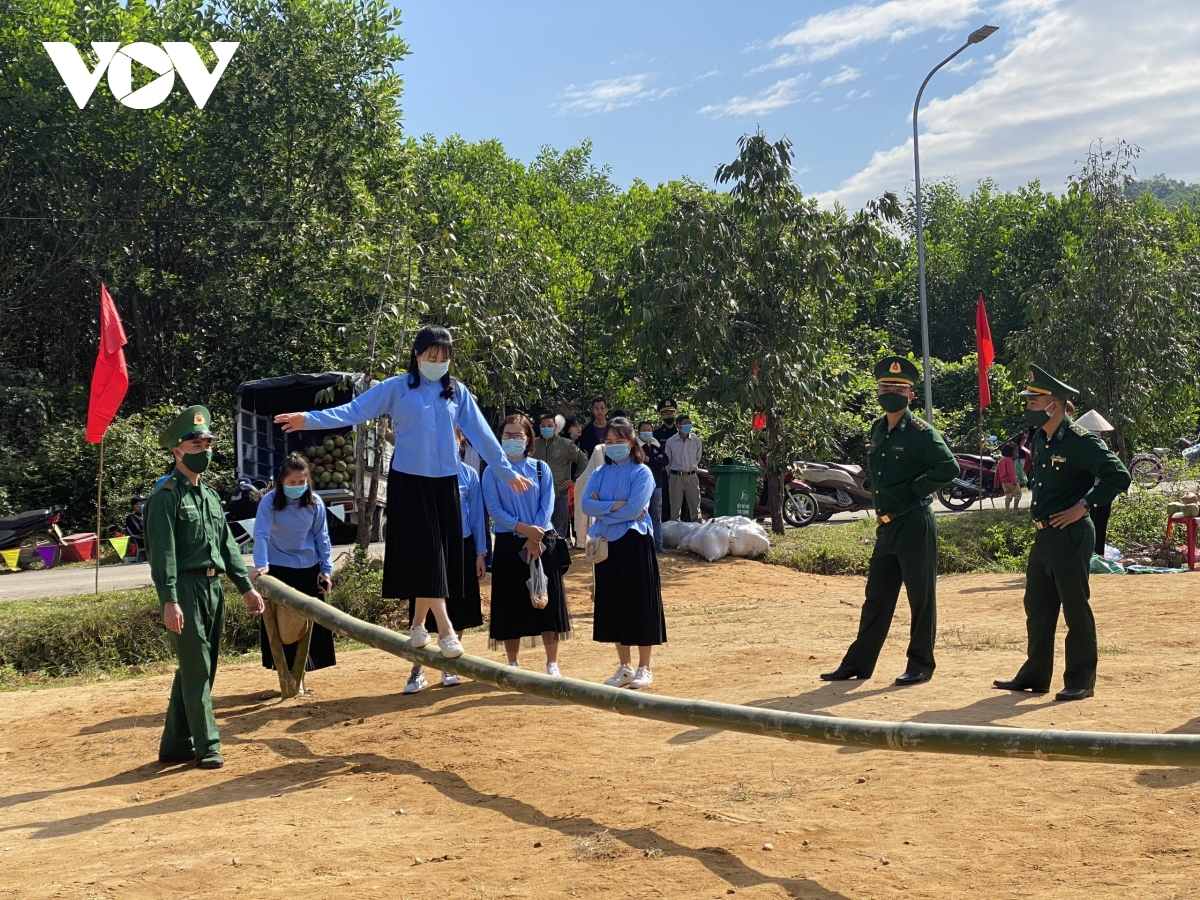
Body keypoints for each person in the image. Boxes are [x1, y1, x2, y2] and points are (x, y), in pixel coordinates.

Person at [275, 325, 532, 665]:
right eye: (431, 356)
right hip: (410, 481)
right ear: (417, 354)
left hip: (446, 483)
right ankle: (446, 630)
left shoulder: (457, 393)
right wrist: (307, 419)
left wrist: (506, 470)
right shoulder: (397, 388)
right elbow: (352, 411)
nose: (437, 363)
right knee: (427, 554)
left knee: (440, 557)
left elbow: (482, 435)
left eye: (444, 358)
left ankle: (416, 625)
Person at [821, 357, 959, 686]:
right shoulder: (878, 427)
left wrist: (916, 489)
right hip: (886, 526)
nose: (891, 391)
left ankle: (921, 664)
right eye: (885, 386)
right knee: (876, 598)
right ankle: (858, 664)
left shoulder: (921, 432)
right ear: (878, 391)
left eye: (898, 387)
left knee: (920, 597)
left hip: (914, 521)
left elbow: (948, 467)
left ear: (911, 395)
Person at [994, 366, 1130, 701]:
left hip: (1070, 534)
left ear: (1054, 404)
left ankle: (1081, 679)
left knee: (1074, 607)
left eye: (1034, 399)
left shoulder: (1079, 441)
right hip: (1044, 535)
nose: (1028, 404)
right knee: (1037, 606)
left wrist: (1084, 506)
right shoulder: (1041, 438)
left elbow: (1119, 476)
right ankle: (1036, 676)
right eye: (1027, 398)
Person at [145, 405, 265, 769]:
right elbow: (162, 553)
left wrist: (245, 586)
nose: (204, 451)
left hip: (213, 591)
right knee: (196, 668)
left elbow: (228, 546)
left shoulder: (211, 496)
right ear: (177, 451)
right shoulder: (166, 496)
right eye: (195, 445)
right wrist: (169, 599)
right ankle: (207, 746)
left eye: (207, 444)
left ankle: (175, 744)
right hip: (184, 589)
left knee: (201, 667)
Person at [483, 414, 571, 674]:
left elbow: (548, 504)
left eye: (518, 435)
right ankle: (512, 663)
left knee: (548, 602)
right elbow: (494, 509)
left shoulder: (540, 468)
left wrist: (536, 536)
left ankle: (552, 663)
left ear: (528, 438)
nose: (513, 440)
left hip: (543, 541)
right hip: (510, 543)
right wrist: (523, 530)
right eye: (507, 435)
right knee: (510, 604)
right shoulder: (492, 470)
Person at [583, 419, 666, 689]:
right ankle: (625, 667)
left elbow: (635, 511)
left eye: (620, 441)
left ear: (631, 443)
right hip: (608, 545)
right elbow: (585, 505)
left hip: (635, 542)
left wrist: (604, 508)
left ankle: (645, 667)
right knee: (614, 604)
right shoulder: (598, 473)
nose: (614, 446)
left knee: (640, 602)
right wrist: (618, 505)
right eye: (609, 441)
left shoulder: (642, 473)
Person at [405, 427, 488, 693]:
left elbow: (477, 517)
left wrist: (480, 553)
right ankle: (417, 670)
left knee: (458, 606)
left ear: (460, 439)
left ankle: (449, 667)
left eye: (450, 435)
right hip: (429, 546)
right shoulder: (421, 473)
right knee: (425, 602)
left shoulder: (469, 475)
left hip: (461, 545)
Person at [248, 453, 337, 693]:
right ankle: (287, 679)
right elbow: (262, 534)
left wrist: (326, 571)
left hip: (308, 570)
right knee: (280, 625)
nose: (297, 487)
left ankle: (301, 679)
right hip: (277, 571)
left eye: (301, 482)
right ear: (281, 482)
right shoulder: (269, 502)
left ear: (307, 481)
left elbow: (322, 537)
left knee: (308, 626)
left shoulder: (315, 503)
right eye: (292, 483)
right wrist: (261, 565)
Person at [532, 413, 589, 548]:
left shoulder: (565, 444)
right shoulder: (532, 445)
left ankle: (558, 562)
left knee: (559, 533)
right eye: (544, 426)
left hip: (559, 493)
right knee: (539, 530)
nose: (547, 428)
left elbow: (583, 460)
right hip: (537, 496)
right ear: (540, 427)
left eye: (550, 426)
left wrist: (574, 479)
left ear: (555, 427)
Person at [665, 414, 703, 523]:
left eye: (690, 423)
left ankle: (697, 531)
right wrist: (671, 476)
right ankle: (673, 534)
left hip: (692, 476)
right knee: (675, 509)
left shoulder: (696, 440)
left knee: (695, 507)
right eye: (685, 424)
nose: (688, 426)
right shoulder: (671, 441)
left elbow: (697, 457)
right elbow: (668, 461)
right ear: (678, 426)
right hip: (676, 477)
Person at [637, 420, 668, 552]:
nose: (647, 432)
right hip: (641, 486)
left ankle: (658, 545)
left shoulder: (656, 444)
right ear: (638, 431)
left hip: (657, 485)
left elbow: (665, 460)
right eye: (644, 429)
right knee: (641, 515)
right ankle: (645, 546)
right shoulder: (635, 446)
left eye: (649, 429)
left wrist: (649, 459)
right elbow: (638, 460)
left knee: (656, 516)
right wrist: (656, 461)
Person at [653, 400, 679, 521]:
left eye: (671, 413)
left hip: (677, 471)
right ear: (662, 415)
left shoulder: (679, 433)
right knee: (663, 499)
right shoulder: (656, 434)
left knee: (678, 500)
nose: (669, 416)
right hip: (663, 471)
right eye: (666, 413)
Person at [996, 445, 1022, 511]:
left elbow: (997, 472)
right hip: (1011, 481)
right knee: (1018, 494)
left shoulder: (1001, 460)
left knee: (1008, 496)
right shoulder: (1009, 461)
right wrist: (1014, 481)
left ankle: (1007, 510)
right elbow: (1011, 472)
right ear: (1011, 452)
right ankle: (1015, 509)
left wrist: (996, 482)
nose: (1016, 453)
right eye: (1015, 452)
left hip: (1004, 482)